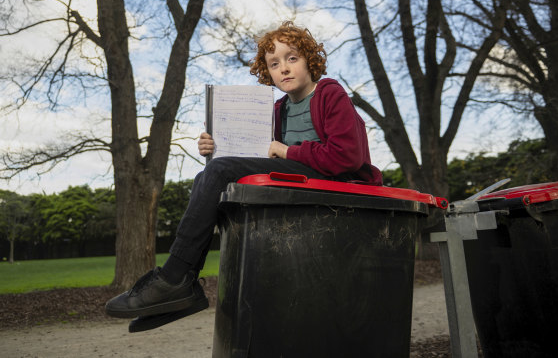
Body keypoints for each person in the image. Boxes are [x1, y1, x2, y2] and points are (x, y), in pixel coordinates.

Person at [105, 21, 382, 331]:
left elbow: (346, 156)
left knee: (221, 171)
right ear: (268, 72)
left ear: (309, 60)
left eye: (292, 58)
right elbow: (257, 156)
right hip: (300, 184)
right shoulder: (278, 110)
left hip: (337, 184)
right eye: (274, 63)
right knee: (208, 175)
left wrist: (288, 152)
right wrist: (214, 148)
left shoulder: (330, 93)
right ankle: (184, 286)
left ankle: (173, 279)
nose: (284, 69)